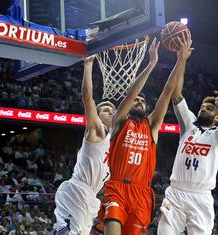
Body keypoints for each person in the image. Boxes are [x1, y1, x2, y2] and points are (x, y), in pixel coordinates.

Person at [95, 34, 193, 235]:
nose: (139, 101)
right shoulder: (119, 122)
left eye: (142, 101)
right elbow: (131, 93)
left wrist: (181, 60)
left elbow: (167, 91)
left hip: (142, 192)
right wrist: (151, 65)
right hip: (117, 187)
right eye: (136, 100)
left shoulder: (152, 126)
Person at [157, 50, 218, 234]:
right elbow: (176, 94)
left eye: (209, 108)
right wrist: (182, 59)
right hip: (175, 192)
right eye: (202, 107)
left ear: (217, 117)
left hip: (201, 196)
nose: (203, 109)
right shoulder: (188, 125)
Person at [54, 55, 116, 235]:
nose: (111, 112)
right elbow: (88, 98)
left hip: (91, 197)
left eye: (113, 110)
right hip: (76, 191)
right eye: (106, 110)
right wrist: (88, 66)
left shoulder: (115, 141)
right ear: (97, 115)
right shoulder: (97, 130)